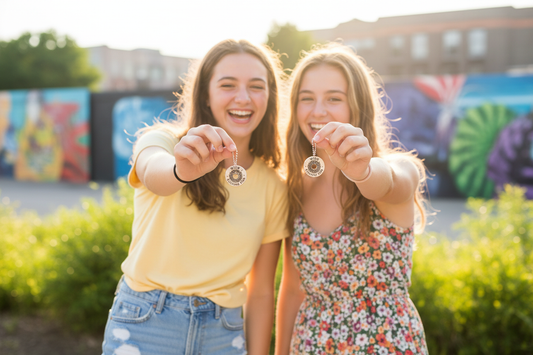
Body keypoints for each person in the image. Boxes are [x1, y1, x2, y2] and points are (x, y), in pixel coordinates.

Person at [102, 39, 288, 355]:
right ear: (205, 93)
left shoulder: (273, 185)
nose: (243, 98)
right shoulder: (161, 141)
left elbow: (260, 292)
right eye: (228, 85)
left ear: (269, 97)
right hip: (145, 325)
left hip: (223, 334)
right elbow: (155, 174)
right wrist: (182, 170)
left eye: (256, 87)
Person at [275, 44, 429, 354]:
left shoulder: (399, 168)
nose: (318, 110)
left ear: (357, 106)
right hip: (310, 344)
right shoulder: (293, 186)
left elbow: (387, 184)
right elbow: (292, 291)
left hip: (385, 344)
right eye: (307, 98)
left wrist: (362, 171)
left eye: (334, 98)